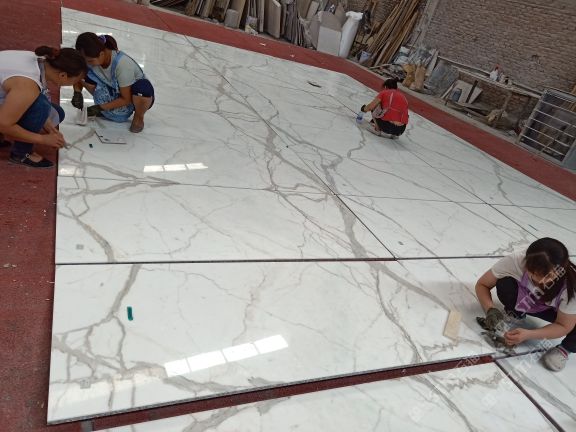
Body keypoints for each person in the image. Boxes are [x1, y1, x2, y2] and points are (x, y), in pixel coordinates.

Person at [475, 238, 576, 371]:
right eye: (533, 273)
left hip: (554, 311)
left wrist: (529, 334)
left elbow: (563, 326)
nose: (539, 281)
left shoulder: (571, 288)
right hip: (528, 300)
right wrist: (490, 309)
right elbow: (482, 284)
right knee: (505, 284)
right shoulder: (516, 261)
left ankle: (565, 349)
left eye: (547, 277)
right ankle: (516, 313)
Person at [0, 47, 87, 168]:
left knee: (56, 113)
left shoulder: (40, 61)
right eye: (75, 81)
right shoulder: (27, 84)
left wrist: (49, 127)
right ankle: (21, 153)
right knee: (41, 106)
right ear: (63, 75)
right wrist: (43, 139)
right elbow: (3, 125)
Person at [73, 32, 154, 133]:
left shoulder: (122, 64)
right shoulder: (93, 59)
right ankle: (106, 111)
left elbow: (126, 99)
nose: (88, 63)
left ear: (101, 54)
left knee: (142, 89)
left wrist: (98, 108)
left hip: (132, 99)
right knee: (80, 71)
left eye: (90, 61)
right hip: (114, 91)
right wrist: (77, 91)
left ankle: (139, 117)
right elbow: (78, 72)